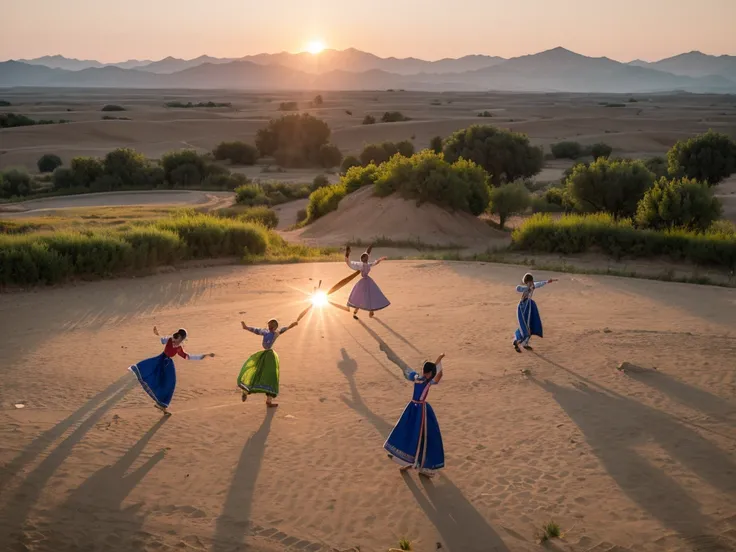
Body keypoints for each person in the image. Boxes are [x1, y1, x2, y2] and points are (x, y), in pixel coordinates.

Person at [384, 353, 445, 477]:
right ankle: (408, 460)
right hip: (415, 409)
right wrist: (438, 361)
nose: (425, 373)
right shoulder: (423, 380)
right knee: (408, 432)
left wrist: (438, 360)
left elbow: (437, 375)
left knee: (420, 437)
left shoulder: (422, 380)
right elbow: (438, 375)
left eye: (426, 372)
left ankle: (418, 464)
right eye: (425, 371)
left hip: (419, 411)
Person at [129, 327, 215, 415]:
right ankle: (161, 405)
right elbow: (161, 339)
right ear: (181, 337)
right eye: (181, 339)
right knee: (155, 378)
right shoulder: (170, 339)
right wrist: (157, 333)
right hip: (161, 361)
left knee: (170, 384)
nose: (180, 341)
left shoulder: (178, 347)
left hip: (168, 364)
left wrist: (204, 355)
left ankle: (162, 406)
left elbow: (187, 356)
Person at [238, 319, 298, 407]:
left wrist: (293, 324)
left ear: (275, 327)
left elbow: (286, 328)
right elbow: (256, 330)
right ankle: (246, 391)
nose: (270, 327)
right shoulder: (268, 332)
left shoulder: (275, 332)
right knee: (267, 376)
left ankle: (267, 400)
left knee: (269, 377)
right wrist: (246, 327)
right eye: (269, 325)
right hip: (268, 356)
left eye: (271, 326)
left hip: (268, 355)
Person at [513, 273, 558, 353]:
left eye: (532, 281)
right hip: (523, 307)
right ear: (528, 282)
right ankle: (517, 342)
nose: (532, 283)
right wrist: (527, 287)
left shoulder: (533, 286)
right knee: (525, 327)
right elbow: (517, 288)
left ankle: (524, 343)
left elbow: (539, 284)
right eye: (530, 282)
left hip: (529, 306)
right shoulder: (526, 287)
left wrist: (548, 281)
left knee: (530, 325)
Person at [345, 245, 390, 320]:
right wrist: (347, 254)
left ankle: (371, 311)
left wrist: (380, 258)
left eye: (367, 257)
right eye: (365, 258)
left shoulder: (368, 264)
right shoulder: (360, 265)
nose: (367, 258)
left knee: (371, 296)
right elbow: (349, 263)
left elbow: (374, 261)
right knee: (360, 297)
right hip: (363, 283)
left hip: (368, 282)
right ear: (362, 259)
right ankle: (356, 312)